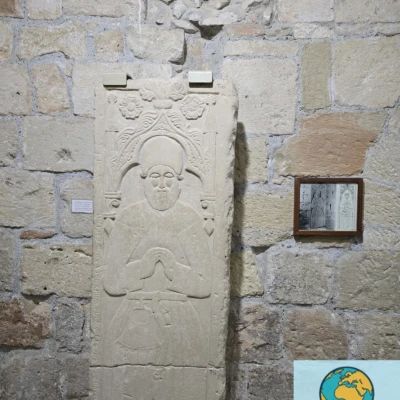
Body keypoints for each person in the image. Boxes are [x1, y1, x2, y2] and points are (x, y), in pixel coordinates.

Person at [103, 136, 212, 369]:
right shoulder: (130, 217)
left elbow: (205, 285)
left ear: (179, 182)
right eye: (154, 176)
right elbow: (110, 282)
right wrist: (141, 269)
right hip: (136, 317)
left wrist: (174, 270)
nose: (162, 185)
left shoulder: (189, 218)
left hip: (180, 320)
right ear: (143, 181)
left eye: (169, 176)